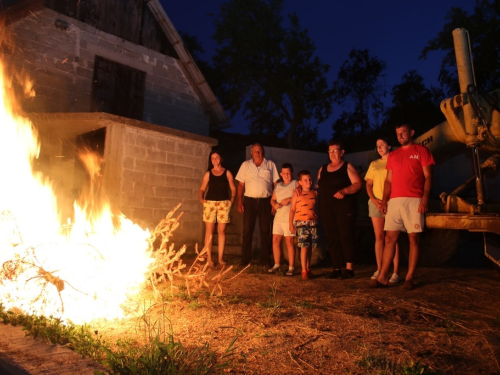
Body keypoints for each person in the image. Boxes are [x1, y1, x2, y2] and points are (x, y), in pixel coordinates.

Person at [371, 124, 435, 291]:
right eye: (397, 133)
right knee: (389, 239)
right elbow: (388, 181)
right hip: (394, 201)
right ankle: (383, 276)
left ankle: (409, 278)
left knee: (413, 239)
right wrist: (385, 200)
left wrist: (425, 199)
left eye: (403, 132)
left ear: (412, 133)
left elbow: (428, 177)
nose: (400, 136)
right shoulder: (393, 155)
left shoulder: (422, 151)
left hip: (414, 199)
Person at [317, 140, 362, 279]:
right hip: (327, 208)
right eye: (330, 151)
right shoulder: (323, 169)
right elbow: (316, 186)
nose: (332, 154)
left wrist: (344, 191)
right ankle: (336, 267)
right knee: (332, 237)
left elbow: (358, 184)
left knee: (345, 236)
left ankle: (349, 268)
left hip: (344, 207)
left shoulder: (347, 167)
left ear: (342, 152)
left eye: (335, 151)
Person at [235, 143, 279, 266]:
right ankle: (245, 260)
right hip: (249, 201)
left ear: (263, 152)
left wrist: (274, 202)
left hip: (266, 201)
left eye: (259, 151)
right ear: (251, 153)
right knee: (247, 230)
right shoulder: (245, 165)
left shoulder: (270, 165)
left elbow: (276, 184)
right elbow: (241, 185)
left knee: (265, 230)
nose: (257, 153)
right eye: (255, 151)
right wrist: (239, 202)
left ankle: (265, 259)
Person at [365, 137, 400, 284]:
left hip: (391, 202)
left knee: (391, 238)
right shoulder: (374, 164)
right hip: (376, 202)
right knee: (379, 237)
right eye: (377, 145)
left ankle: (395, 272)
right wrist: (373, 199)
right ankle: (380, 269)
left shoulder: (395, 162)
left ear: (389, 146)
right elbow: (368, 184)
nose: (379, 147)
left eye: (382, 145)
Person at [199, 150, 236, 267]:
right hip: (210, 203)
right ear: (211, 160)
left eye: (217, 157)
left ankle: (220, 258)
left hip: (223, 204)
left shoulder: (227, 173)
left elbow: (233, 189)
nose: (215, 160)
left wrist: (232, 200)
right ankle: (209, 259)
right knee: (209, 231)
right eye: (213, 158)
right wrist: (201, 199)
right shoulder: (208, 174)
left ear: (221, 159)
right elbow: (202, 189)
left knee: (222, 231)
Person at [268, 163, 297, 276]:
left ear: (292, 173)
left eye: (288, 173)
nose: (286, 175)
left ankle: (291, 267)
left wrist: (290, 198)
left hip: (289, 218)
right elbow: (272, 199)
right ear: (281, 174)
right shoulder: (278, 185)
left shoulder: (295, 183)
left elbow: (302, 194)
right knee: (275, 241)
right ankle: (277, 264)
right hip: (278, 218)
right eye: (284, 173)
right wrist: (274, 204)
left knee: (289, 242)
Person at [289, 170, 318, 280]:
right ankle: (303, 270)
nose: (308, 182)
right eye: (305, 180)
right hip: (302, 223)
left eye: (309, 179)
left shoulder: (315, 193)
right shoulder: (297, 193)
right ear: (300, 182)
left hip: (313, 222)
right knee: (304, 246)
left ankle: (308, 267)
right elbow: (292, 209)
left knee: (310, 247)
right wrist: (290, 224)